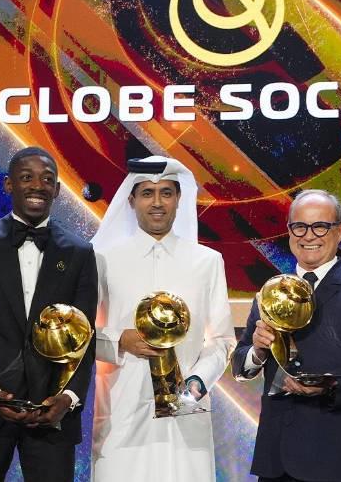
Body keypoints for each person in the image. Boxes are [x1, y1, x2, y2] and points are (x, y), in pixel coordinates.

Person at [0, 147, 97, 482]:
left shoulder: (80, 253)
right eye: (27, 177)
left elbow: (85, 341)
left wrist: (68, 398)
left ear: (58, 190)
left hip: (52, 416)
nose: (37, 185)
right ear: (8, 184)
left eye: (47, 179)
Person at [232, 189, 341, 482]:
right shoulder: (271, 291)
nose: (309, 236)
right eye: (300, 226)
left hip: (339, 458)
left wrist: (329, 387)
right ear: (289, 232)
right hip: (277, 459)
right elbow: (240, 364)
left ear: (340, 231)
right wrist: (257, 351)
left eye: (320, 226)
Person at [91, 156, 236, 482]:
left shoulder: (207, 261)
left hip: (185, 417)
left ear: (179, 199)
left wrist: (198, 381)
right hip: (122, 416)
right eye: (147, 193)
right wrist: (120, 340)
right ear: (132, 200)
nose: (157, 203)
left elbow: (222, 340)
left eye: (166, 193)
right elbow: (81, 334)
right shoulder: (103, 260)